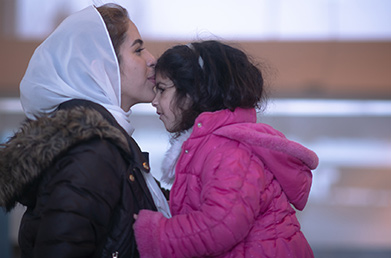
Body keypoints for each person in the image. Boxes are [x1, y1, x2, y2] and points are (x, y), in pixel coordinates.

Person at [0, 3, 170, 258]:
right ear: (101, 67)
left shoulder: (101, 144)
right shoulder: (93, 151)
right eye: (138, 50)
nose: (152, 59)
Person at [133, 40, 319, 258]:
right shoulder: (212, 146)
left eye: (162, 89)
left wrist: (155, 233)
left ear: (195, 92)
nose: (154, 101)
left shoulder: (229, 150)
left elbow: (221, 224)